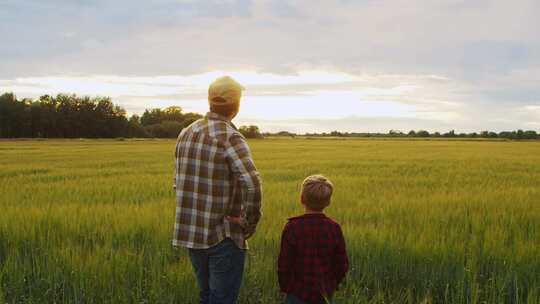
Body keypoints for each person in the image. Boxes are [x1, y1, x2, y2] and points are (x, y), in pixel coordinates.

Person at [173, 76, 262, 304]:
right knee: (222, 300)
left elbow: (178, 181)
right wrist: (250, 221)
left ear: (210, 101)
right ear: (236, 105)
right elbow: (251, 182)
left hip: (192, 235)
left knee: (206, 297)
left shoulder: (186, 133)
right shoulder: (230, 137)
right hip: (223, 235)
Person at [278, 175, 349, 304]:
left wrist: (287, 288)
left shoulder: (292, 228)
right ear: (328, 202)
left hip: (297, 294)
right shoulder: (334, 228)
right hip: (324, 293)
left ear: (301, 199)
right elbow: (342, 264)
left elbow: (284, 265)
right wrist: (331, 285)